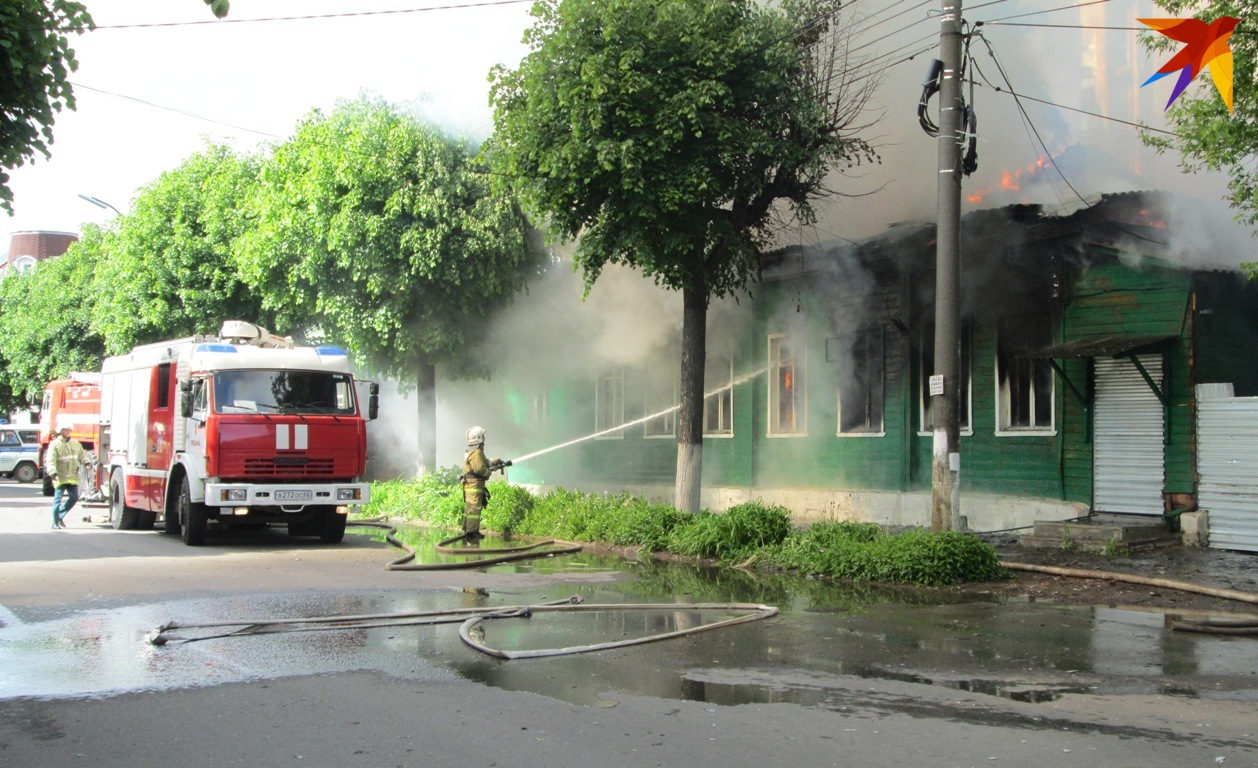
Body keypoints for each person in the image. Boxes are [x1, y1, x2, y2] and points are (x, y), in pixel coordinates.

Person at [460, 426, 509, 543]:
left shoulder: (473, 451)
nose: (484, 438)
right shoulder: (476, 452)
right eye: (483, 436)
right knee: (474, 508)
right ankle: (471, 533)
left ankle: (467, 530)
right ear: (479, 438)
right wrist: (488, 472)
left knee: (470, 508)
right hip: (474, 484)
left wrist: (495, 461)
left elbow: (483, 462)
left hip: (471, 483)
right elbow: (479, 468)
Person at [45, 417, 86, 529]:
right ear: (60, 430)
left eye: (70, 430)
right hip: (60, 477)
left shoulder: (75, 443)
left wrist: (87, 463)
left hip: (72, 477)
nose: (68, 432)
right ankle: (55, 522)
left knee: (74, 497)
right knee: (57, 500)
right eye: (66, 430)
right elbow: (50, 460)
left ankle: (59, 516)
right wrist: (53, 473)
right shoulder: (54, 445)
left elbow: (82, 456)